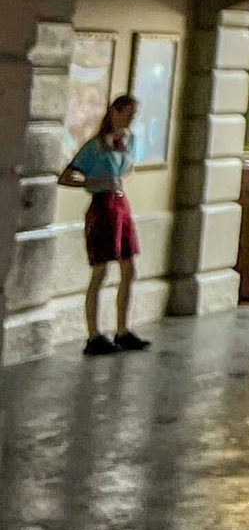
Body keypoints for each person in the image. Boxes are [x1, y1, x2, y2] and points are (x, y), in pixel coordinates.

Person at [58, 95, 149, 355]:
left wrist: (120, 180)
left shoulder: (128, 142)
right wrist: (94, 181)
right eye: (127, 114)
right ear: (115, 112)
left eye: (133, 116)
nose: (130, 120)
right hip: (102, 206)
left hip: (121, 205)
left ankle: (122, 330)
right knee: (100, 272)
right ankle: (93, 334)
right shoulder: (95, 146)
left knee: (129, 269)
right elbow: (66, 177)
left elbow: (129, 168)